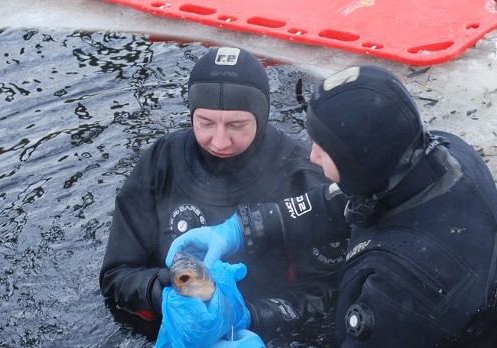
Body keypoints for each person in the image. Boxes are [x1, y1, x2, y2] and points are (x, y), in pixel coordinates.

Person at [167, 65, 497, 346]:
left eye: (325, 148)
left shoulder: (402, 285)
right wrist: (239, 228)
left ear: (361, 162)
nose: (311, 156)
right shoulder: (441, 154)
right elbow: (333, 203)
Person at [99, 46, 350, 345]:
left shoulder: (302, 175)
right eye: (205, 123)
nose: (219, 140)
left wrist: (248, 317)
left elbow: (330, 295)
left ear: (262, 115)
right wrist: (163, 293)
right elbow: (117, 274)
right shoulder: (162, 161)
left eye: (236, 125)